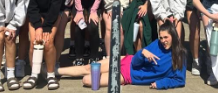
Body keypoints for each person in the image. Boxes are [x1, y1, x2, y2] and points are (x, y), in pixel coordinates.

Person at [57, 20, 186, 89]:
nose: (163, 41)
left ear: (173, 36)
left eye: (166, 37)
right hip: (127, 61)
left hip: (128, 75)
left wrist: (161, 84)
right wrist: (142, 53)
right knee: (88, 68)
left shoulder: (179, 56)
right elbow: (136, 62)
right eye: (161, 37)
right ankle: (56, 71)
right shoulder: (156, 44)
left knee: (88, 80)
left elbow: (180, 80)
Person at [22, 0, 65, 90]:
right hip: (36, 13)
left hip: (53, 12)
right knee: (35, 41)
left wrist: (46, 26)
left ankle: (50, 74)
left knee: (47, 42)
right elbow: (31, 3)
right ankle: (34, 74)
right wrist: (37, 25)